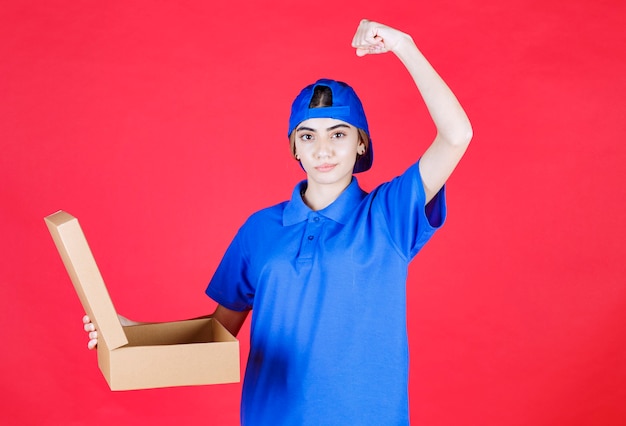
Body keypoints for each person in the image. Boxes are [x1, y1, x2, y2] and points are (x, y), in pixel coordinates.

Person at [83, 18, 472, 425]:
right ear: (294, 148)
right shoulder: (260, 229)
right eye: (307, 136)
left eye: (338, 134)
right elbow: (220, 331)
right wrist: (134, 333)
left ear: (361, 142)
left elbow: (457, 135)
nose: (323, 149)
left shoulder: (388, 215)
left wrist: (404, 46)